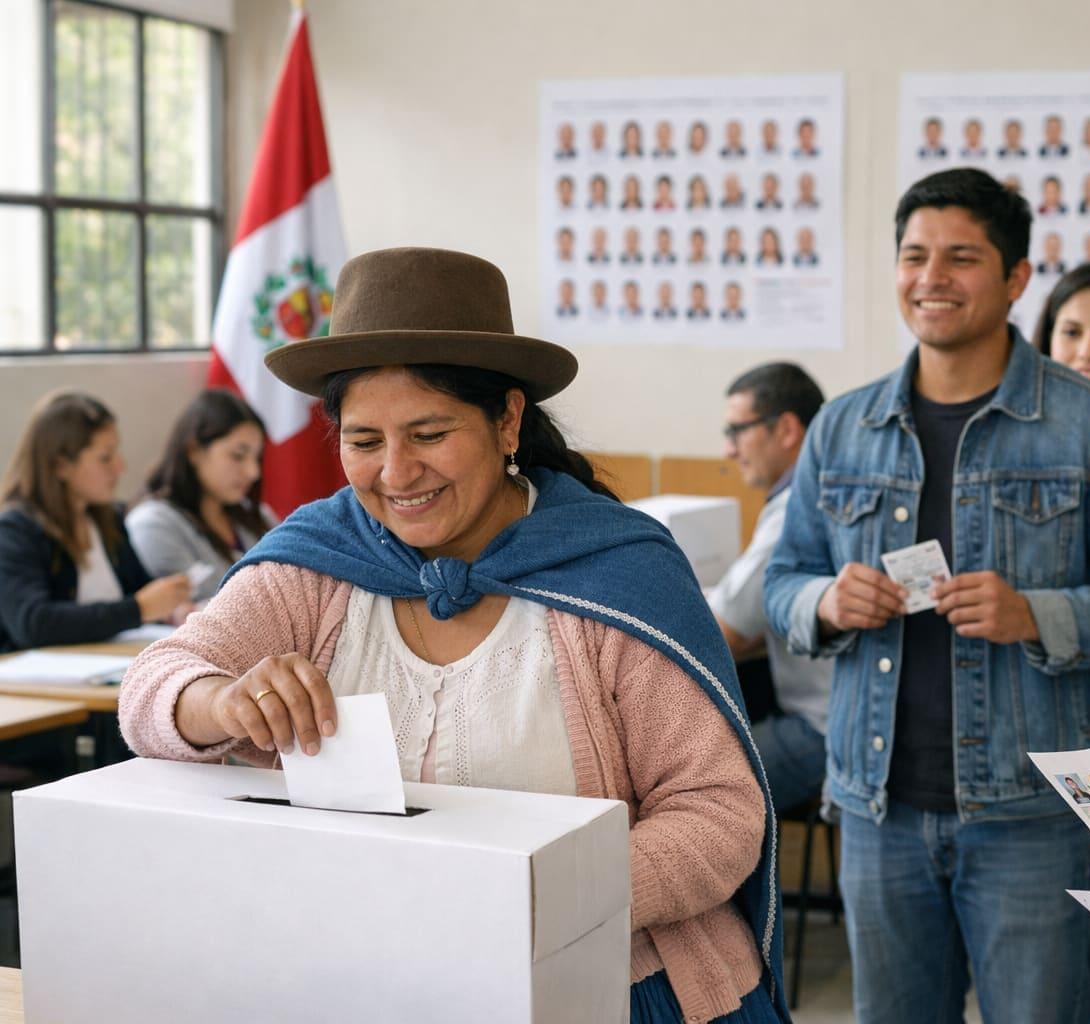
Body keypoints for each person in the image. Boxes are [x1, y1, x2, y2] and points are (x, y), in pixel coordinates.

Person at [118, 247, 788, 1024]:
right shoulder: (319, 561)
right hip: (378, 985)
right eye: (364, 442)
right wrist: (219, 702)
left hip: (623, 991)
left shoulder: (612, 571)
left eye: (429, 434)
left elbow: (718, 811)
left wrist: (532, 898)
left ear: (506, 419)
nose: (397, 474)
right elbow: (154, 683)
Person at [764, 168, 1090, 1024]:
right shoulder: (844, 427)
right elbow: (780, 583)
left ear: (1016, 278)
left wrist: (1037, 613)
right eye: (915, 255)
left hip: (1030, 815)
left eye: (961, 258)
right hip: (875, 808)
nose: (932, 277)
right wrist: (824, 601)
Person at [710, 363, 831, 812]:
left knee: (701, 789)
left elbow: (726, 631)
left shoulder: (796, 508)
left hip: (823, 729)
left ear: (785, 429)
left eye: (736, 431)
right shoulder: (823, 487)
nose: (728, 450)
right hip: (843, 720)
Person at [0, 393, 192, 651]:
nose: (120, 467)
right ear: (61, 466)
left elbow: (141, 589)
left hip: (111, 664)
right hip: (39, 683)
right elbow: (32, 623)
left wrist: (172, 607)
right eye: (105, 457)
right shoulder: (14, 529)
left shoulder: (108, 518)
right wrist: (139, 608)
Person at [129, 390, 276, 604]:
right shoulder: (153, 523)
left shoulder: (259, 515)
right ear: (194, 451)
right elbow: (191, 609)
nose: (253, 472)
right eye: (238, 455)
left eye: (256, 458)